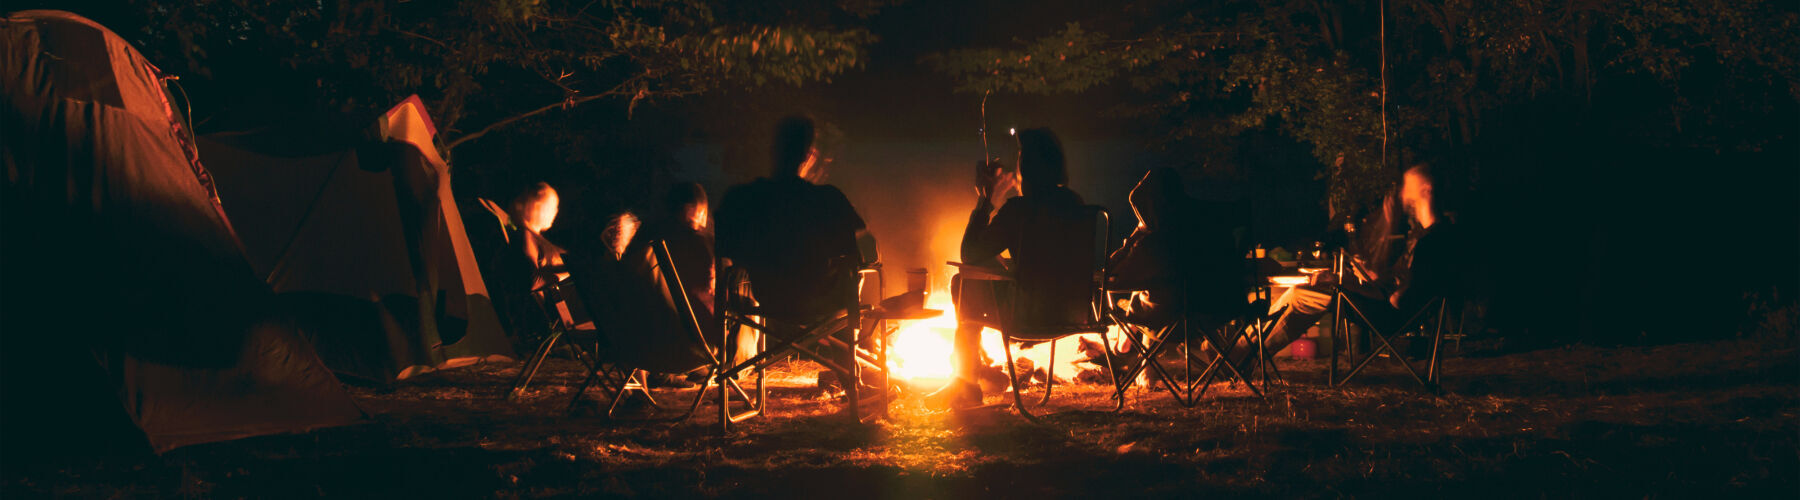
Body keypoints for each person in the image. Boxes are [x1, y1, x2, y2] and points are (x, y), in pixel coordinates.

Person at [928, 128, 1092, 410]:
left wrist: (985, 200)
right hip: (1073, 311)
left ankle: (966, 383)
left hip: (1028, 313)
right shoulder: (1075, 204)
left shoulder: (1019, 210)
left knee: (962, 282)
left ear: (1027, 168)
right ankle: (965, 381)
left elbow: (970, 253)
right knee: (979, 275)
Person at [1250, 163, 1463, 365]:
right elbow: (1389, 285)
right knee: (1301, 291)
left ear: (1426, 189)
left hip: (1391, 317)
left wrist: (1342, 283)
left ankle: (1243, 356)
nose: (1403, 191)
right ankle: (1242, 352)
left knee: (1303, 296)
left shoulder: (1434, 240)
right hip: (1387, 308)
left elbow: (1398, 300)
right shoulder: (1421, 235)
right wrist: (1360, 277)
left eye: (1408, 184)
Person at [715, 116, 870, 322]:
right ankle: (844, 349)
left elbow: (725, 250)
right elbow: (858, 240)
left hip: (768, 297)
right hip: (820, 301)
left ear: (772, 150)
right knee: (854, 269)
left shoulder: (741, 198)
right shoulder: (827, 199)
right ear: (808, 155)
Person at [507, 182, 569, 289]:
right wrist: (572, 271)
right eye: (553, 206)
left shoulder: (533, 235)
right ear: (538, 207)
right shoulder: (527, 234)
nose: (555, 211)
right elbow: (532, 280)